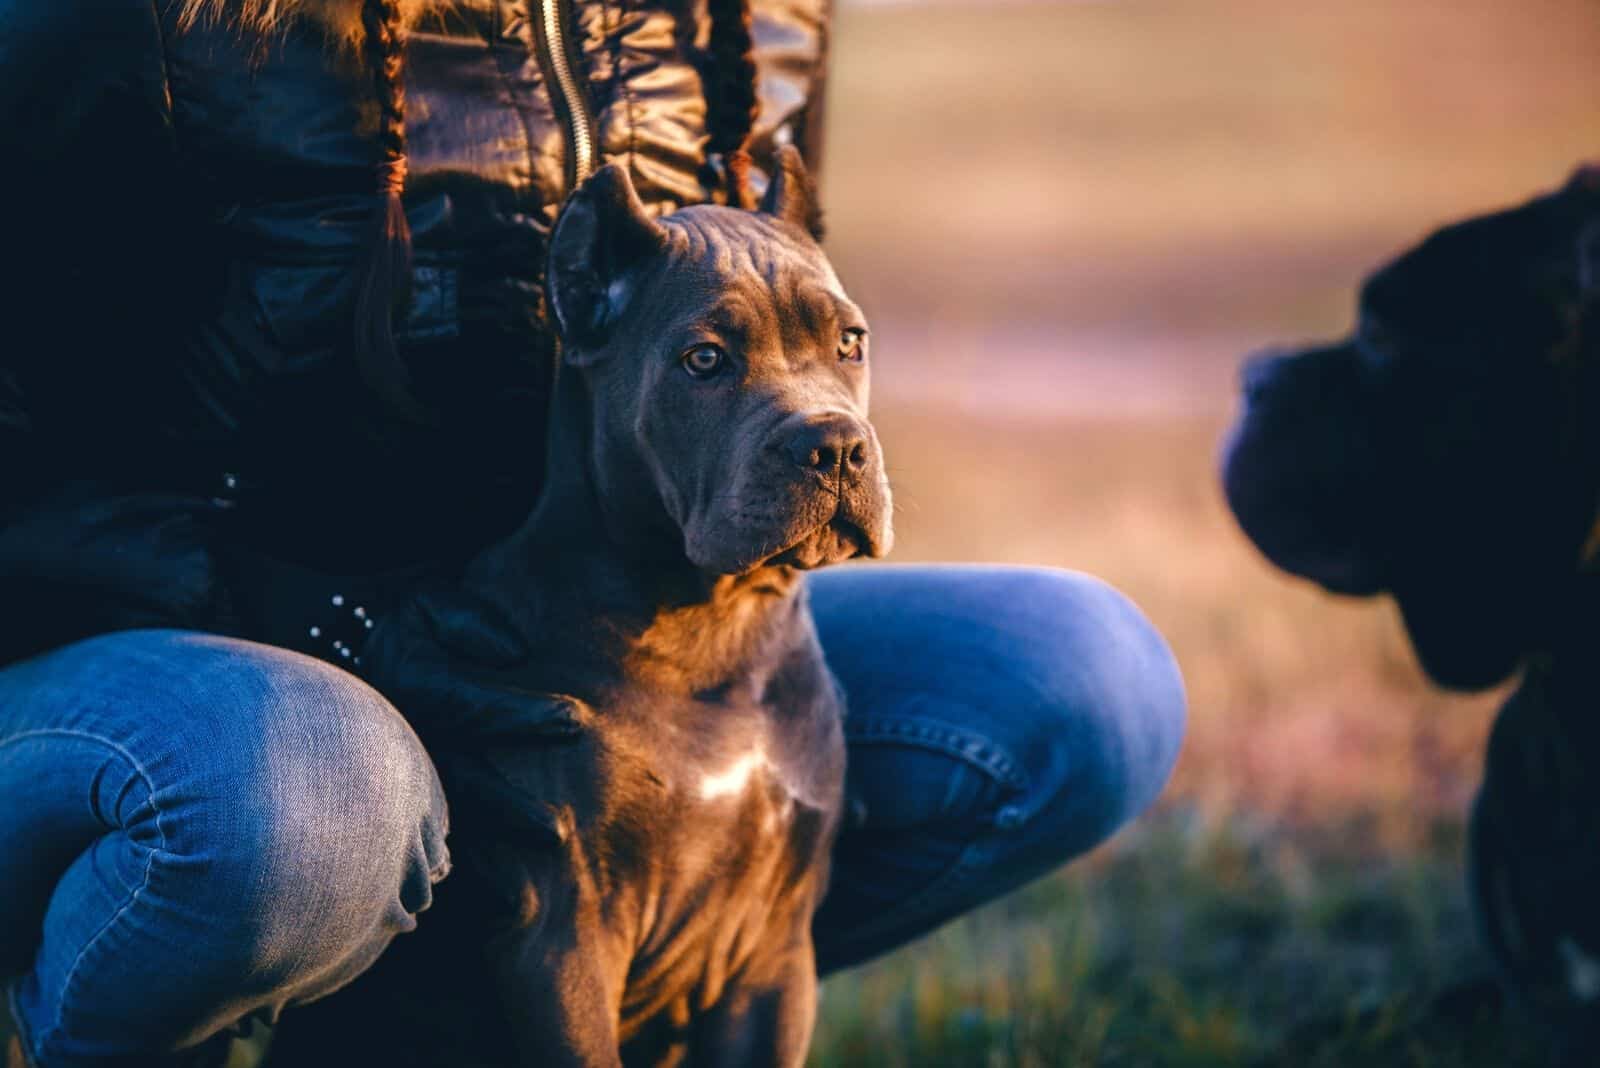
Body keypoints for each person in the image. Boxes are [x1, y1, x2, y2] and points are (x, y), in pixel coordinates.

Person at [0, 2, 1187, 1064]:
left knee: (1076, 674)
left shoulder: (755, 15)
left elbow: (776, 290)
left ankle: (531, 1005)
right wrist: (315, 622)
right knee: (316, 800)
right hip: (192, 646)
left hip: (577, 628)